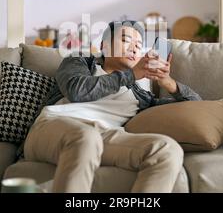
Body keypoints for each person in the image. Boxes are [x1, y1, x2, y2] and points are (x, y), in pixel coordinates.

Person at [24, 21, 202, 193]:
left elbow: (199, 110)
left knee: (167, 149)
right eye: (125, 40)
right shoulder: (80, 61)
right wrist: (131, 75)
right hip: (54, 127)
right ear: (105, 46)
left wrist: (168, 82)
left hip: (104, 137)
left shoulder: (143, 97)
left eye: (139, 45)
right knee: (86, 137)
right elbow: (76, 90)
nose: (134, 48)